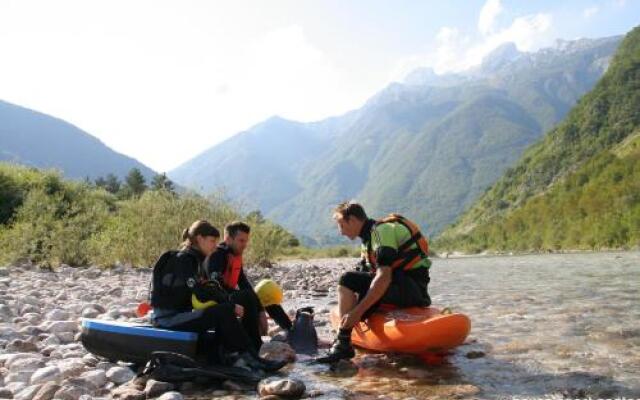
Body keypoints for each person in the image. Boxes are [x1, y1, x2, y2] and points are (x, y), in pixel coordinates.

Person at [149, 220, 286, 372]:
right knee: (224, 310)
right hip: (168, 319)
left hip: (182, 315)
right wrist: (230, 304)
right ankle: (252, 359)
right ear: (200, 239)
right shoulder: (183, 260)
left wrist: (229, 303)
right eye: (212, 241)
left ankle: (242, 355)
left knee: (224, 308)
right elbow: (200, 291)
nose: (215, 245)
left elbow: (209, 289)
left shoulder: (195, 260)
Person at [316, 202, 432, 363]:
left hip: (412, 290)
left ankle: (343, 341)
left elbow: (384, 276)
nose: (340, 231)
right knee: (355, 279)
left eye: (341, 225)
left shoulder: (381, 231)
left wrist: (356, 312)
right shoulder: (368, 240)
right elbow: (366, 277)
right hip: (400, 288)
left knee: (347, 278)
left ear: (353, 220)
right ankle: (346, 335)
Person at [206, 221, 293, 350]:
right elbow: (215, 285)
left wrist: (260, 309)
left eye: (246, 241)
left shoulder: (236, 256)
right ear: (228, 239)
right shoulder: (217, 255)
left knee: (264, 293)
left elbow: (243, 282)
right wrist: (253, 303)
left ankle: (291, 331)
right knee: (247, 296)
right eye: (241, 241)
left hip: (229, 296)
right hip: (216, 299)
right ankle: (255, 345)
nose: (245, 245)